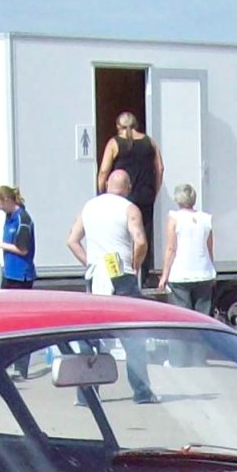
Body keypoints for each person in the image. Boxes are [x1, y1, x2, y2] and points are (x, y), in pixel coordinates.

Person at [67, 170, 156, 400]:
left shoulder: (89, 207)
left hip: (96, 273)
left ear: (107, 184)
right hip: (120, 273)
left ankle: (86, 394)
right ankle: (141, 391)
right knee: (133, 336)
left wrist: (90, 261)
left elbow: (72, 240)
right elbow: (140, 241)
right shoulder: (129, 208)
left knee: (91, 334)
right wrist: (135, 265)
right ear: (128, 187)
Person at [96, 111, 163, 278]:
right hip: (145, 194)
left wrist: (101, 193)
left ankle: (122, 270)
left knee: (120, 233)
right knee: (143, 234)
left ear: (118, 126)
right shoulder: (150, 142)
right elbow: (160, 168)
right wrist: (155, 190)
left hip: (122, 196)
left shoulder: (114, 143)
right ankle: (142, 274)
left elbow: (104, 171)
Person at [160, 183, 217, 315]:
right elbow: (209, 248)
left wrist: (165, 275)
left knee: (183, 316)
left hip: (181, 274)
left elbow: (171, 248)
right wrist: (212, 269)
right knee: (202, 317)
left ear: (177, 199)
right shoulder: (206, 219)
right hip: (204, 273)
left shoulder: (174, 218)